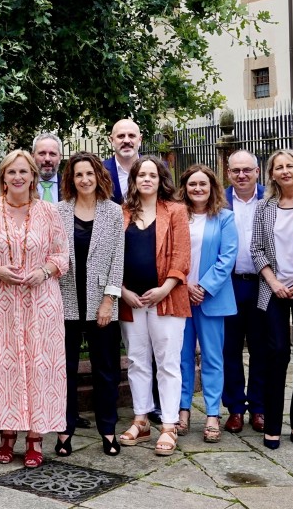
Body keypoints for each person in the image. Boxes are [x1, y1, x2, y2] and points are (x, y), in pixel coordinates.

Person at [0, 149, 68, 469]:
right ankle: (7, 433)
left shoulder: (48, 212)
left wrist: (43, 272)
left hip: (40, 303)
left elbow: (61, 255)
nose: (17, 177)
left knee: (38, 367)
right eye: (11, 172)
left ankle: (35, 438)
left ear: (33, 177)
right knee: (4, 366)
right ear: (3, 177)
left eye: (23, 171)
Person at [116, 155, 190, 457]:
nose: (146, 179)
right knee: (136, 361)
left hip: (166, 299)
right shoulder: (122, 212)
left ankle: (169, 425)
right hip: (131, 301)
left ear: (161, 180)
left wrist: (164, 289)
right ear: (133, 180)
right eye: (141, 175)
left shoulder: (175, 211)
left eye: (152, 175)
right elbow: (112, 256)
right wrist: (122, 292)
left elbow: (182, 256)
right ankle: (141, 419)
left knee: (168, 362)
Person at [53, 152, 124, 457]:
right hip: (65, 300)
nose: (84, 180)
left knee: (106, 370)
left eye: (89, 174)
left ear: (99, 176)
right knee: (65, 370)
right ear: (71, 179)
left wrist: (109, 300)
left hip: (101, 302)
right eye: (78, 174)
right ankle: (64, 430)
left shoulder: (114, 212)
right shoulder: (58, 211)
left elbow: (117, 260)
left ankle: (108, 430)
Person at [251, 148, 293, 450]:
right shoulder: (264, 207)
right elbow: (256, 249)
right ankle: (272, 426)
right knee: (276, 354)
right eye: (279, 167)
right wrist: (274, 282)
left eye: (290, 166)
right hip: (273, 291)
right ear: (272, 174)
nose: (285, 171)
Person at [176, 164, 238, 443]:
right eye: (192, 184)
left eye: (203, 184)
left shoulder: (224, 217)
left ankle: (213, 413)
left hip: (211, 297)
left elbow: (228, 257)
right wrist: (185, 285)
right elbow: (169, 253)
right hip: (180, 295)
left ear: (212, 187)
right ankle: (183, 409)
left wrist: (203, 287)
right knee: (182, 357)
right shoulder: (177, 214)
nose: (198, 188)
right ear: (185, 188)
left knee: (213, 357)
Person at [223, 149, 268, 434]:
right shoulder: (218, 200)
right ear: (228, 173)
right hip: (229, 284)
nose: (241, 175)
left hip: (263, 283)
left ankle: (259, 407)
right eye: (236, 170)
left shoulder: (270, 198)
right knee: (230, 348)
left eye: (247, 170)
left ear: (257, 172)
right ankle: (235, 408)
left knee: (261, 348)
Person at [102, 119, 142, 205]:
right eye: (121, 136)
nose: (126, 141)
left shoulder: (157, 169)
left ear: (140, 140)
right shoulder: (100, 170)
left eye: (131, 136)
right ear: (112, 140)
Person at [31, 133, 63, 202]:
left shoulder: (70, 187)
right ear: (33, 157)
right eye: (42, 154)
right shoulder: (24, 186)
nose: (47, 159)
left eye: (52, 154)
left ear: (60, 158)